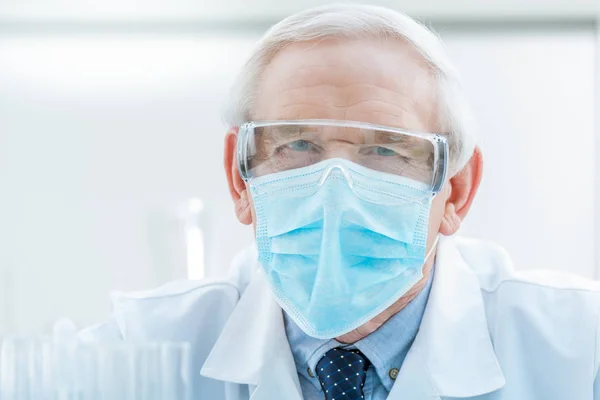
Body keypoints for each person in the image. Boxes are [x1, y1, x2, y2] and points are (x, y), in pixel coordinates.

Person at [78, 4, 600, 399]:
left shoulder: (581, 350)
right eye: (296, 146)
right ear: (240, 182)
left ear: (456, 190)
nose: (336, 192)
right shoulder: (136, 352)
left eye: (384, 150)